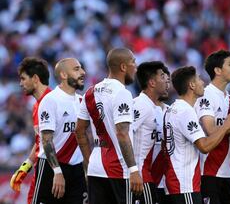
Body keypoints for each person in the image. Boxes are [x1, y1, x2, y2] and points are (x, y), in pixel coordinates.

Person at [163, 66, 230, 204]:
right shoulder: (185, 111)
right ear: (191, 85)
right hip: (184, 184)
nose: (202, 82)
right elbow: (204, 145)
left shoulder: (172, 109)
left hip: (179, 182)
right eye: (198, 79)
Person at [75, 48, 143, 204]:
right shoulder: (122, 93)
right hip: (119, 170)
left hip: (95, 168)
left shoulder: (90, 92)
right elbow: (122, 134)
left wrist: (88, 161)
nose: (136, 66)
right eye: (133, 62)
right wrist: (133, 170)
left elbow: (79, 131)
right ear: (123, 67)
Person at [194, 50, 230, 204]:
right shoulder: (206, 94)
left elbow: (229, 136)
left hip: (227, 174)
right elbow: (211, 131)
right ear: (217, 70)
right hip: (209, 173)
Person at [33, 58, 87, 204]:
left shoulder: (82, 101)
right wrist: (57, 172)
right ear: (63, 75)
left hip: (77, 170)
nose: (83, 72)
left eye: (81, 68)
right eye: (76, 69)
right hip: (52, 168)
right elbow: (46, 140)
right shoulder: (51, 100)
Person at [10, 57, 52, 204]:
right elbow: (41, 140)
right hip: (47, 167)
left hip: (52, 168)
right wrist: (25, 166)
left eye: (23, 79)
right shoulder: (36, 106)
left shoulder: (52, 102)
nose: (20, 84)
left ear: (35, 78)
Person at [130, 61, 168, 204]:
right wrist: (133, 171)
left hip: (149, 176)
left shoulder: (155, 108)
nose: (166, 80)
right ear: (152, 82)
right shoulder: (141, 105)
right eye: (162, 76)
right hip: (139, 176)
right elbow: (123, 135)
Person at [151, 67, 171, 204]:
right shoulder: (138, 107)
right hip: (147, 179)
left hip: (169, 182)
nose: (167, 85)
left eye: (168, 81)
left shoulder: (173, 112)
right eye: (164, 80)